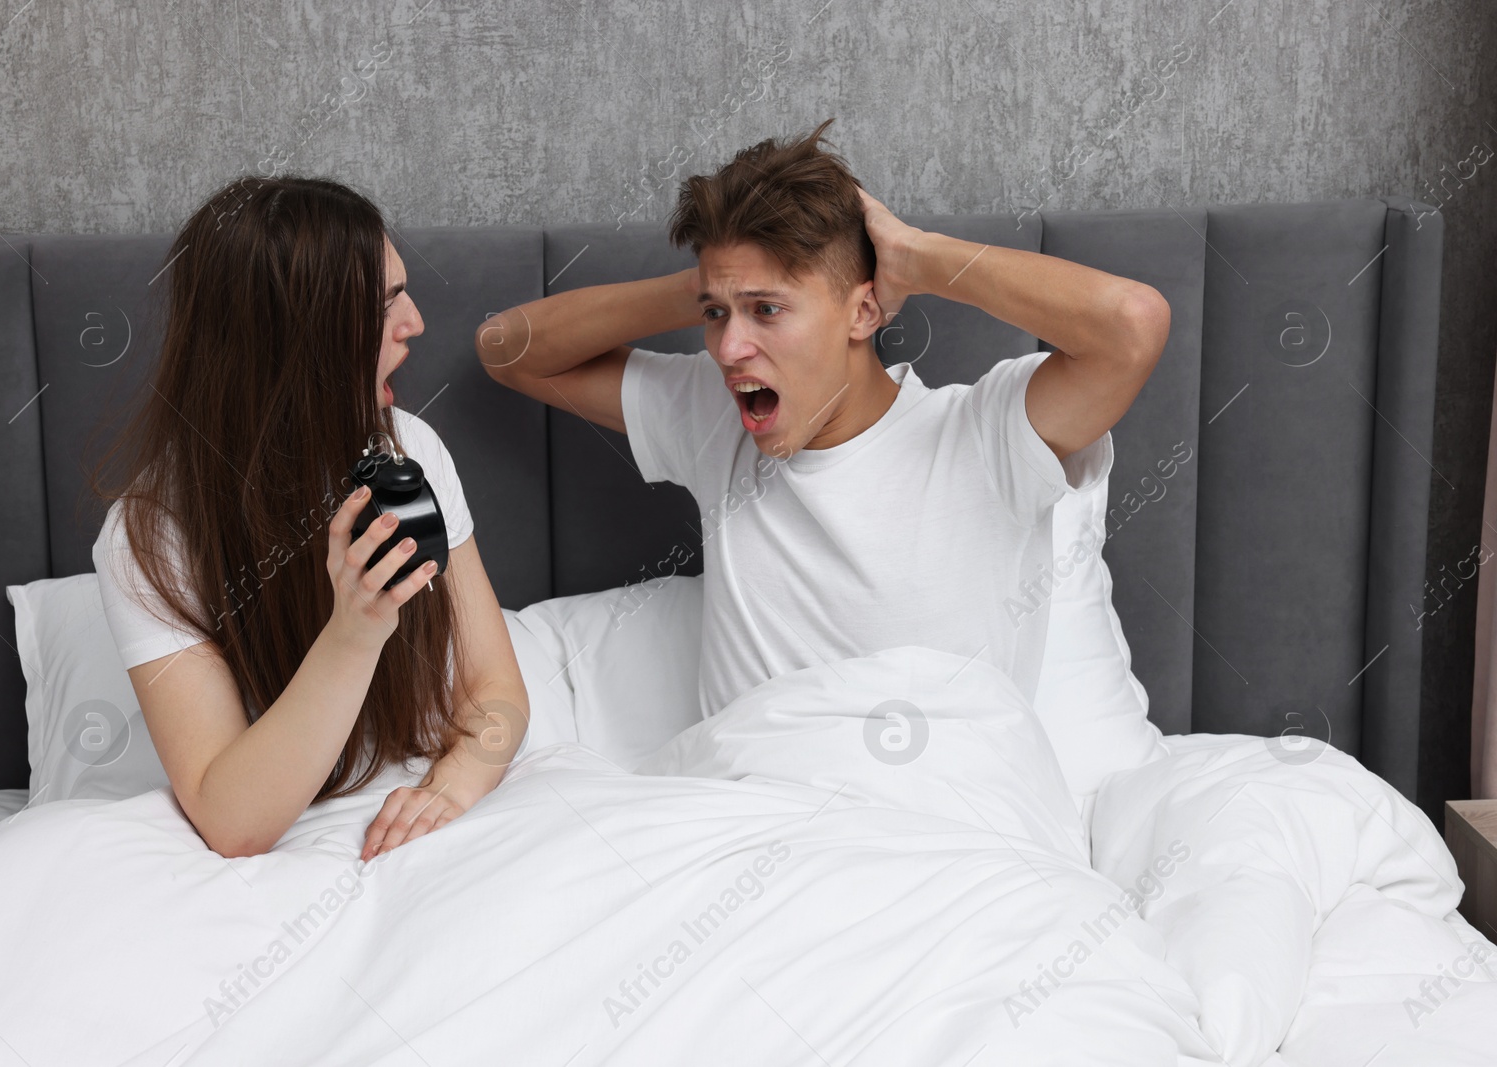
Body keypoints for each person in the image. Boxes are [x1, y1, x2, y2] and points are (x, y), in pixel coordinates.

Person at [478, 118, 1169, 718]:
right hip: (756, 820)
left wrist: (915, 256)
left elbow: (1132, 326)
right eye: (716, 316)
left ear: (864, 312)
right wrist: (709, 286)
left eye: (768, 309)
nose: (727, 347)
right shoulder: (714, 417)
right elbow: (508, 350)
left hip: (944, 829)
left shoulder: (984, 437)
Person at [92, 175, 528, 860]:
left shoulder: (411, 450)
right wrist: (354, 633)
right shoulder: (148, 536)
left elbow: (496, 691)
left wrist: (450, 789)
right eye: (383, 305)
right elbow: (233, 822)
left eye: (403, 292)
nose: (414, 322)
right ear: (295, 341)